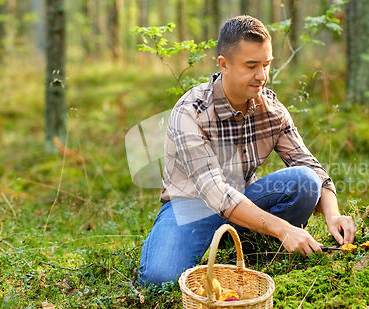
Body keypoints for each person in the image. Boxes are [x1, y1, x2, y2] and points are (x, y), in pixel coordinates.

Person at [138, 15, 355, 287]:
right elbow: (214, 191)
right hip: (190, 207)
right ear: (224, 65)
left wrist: (332, 214)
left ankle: (250, 246)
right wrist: (283, 228)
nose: (262, 76)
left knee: (306, 181)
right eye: (251, 66)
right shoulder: (190, 113)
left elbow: (309, 164)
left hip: (246, 202)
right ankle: (233, 241)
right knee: (159, 280)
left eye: (266, 65)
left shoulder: (271, 109)